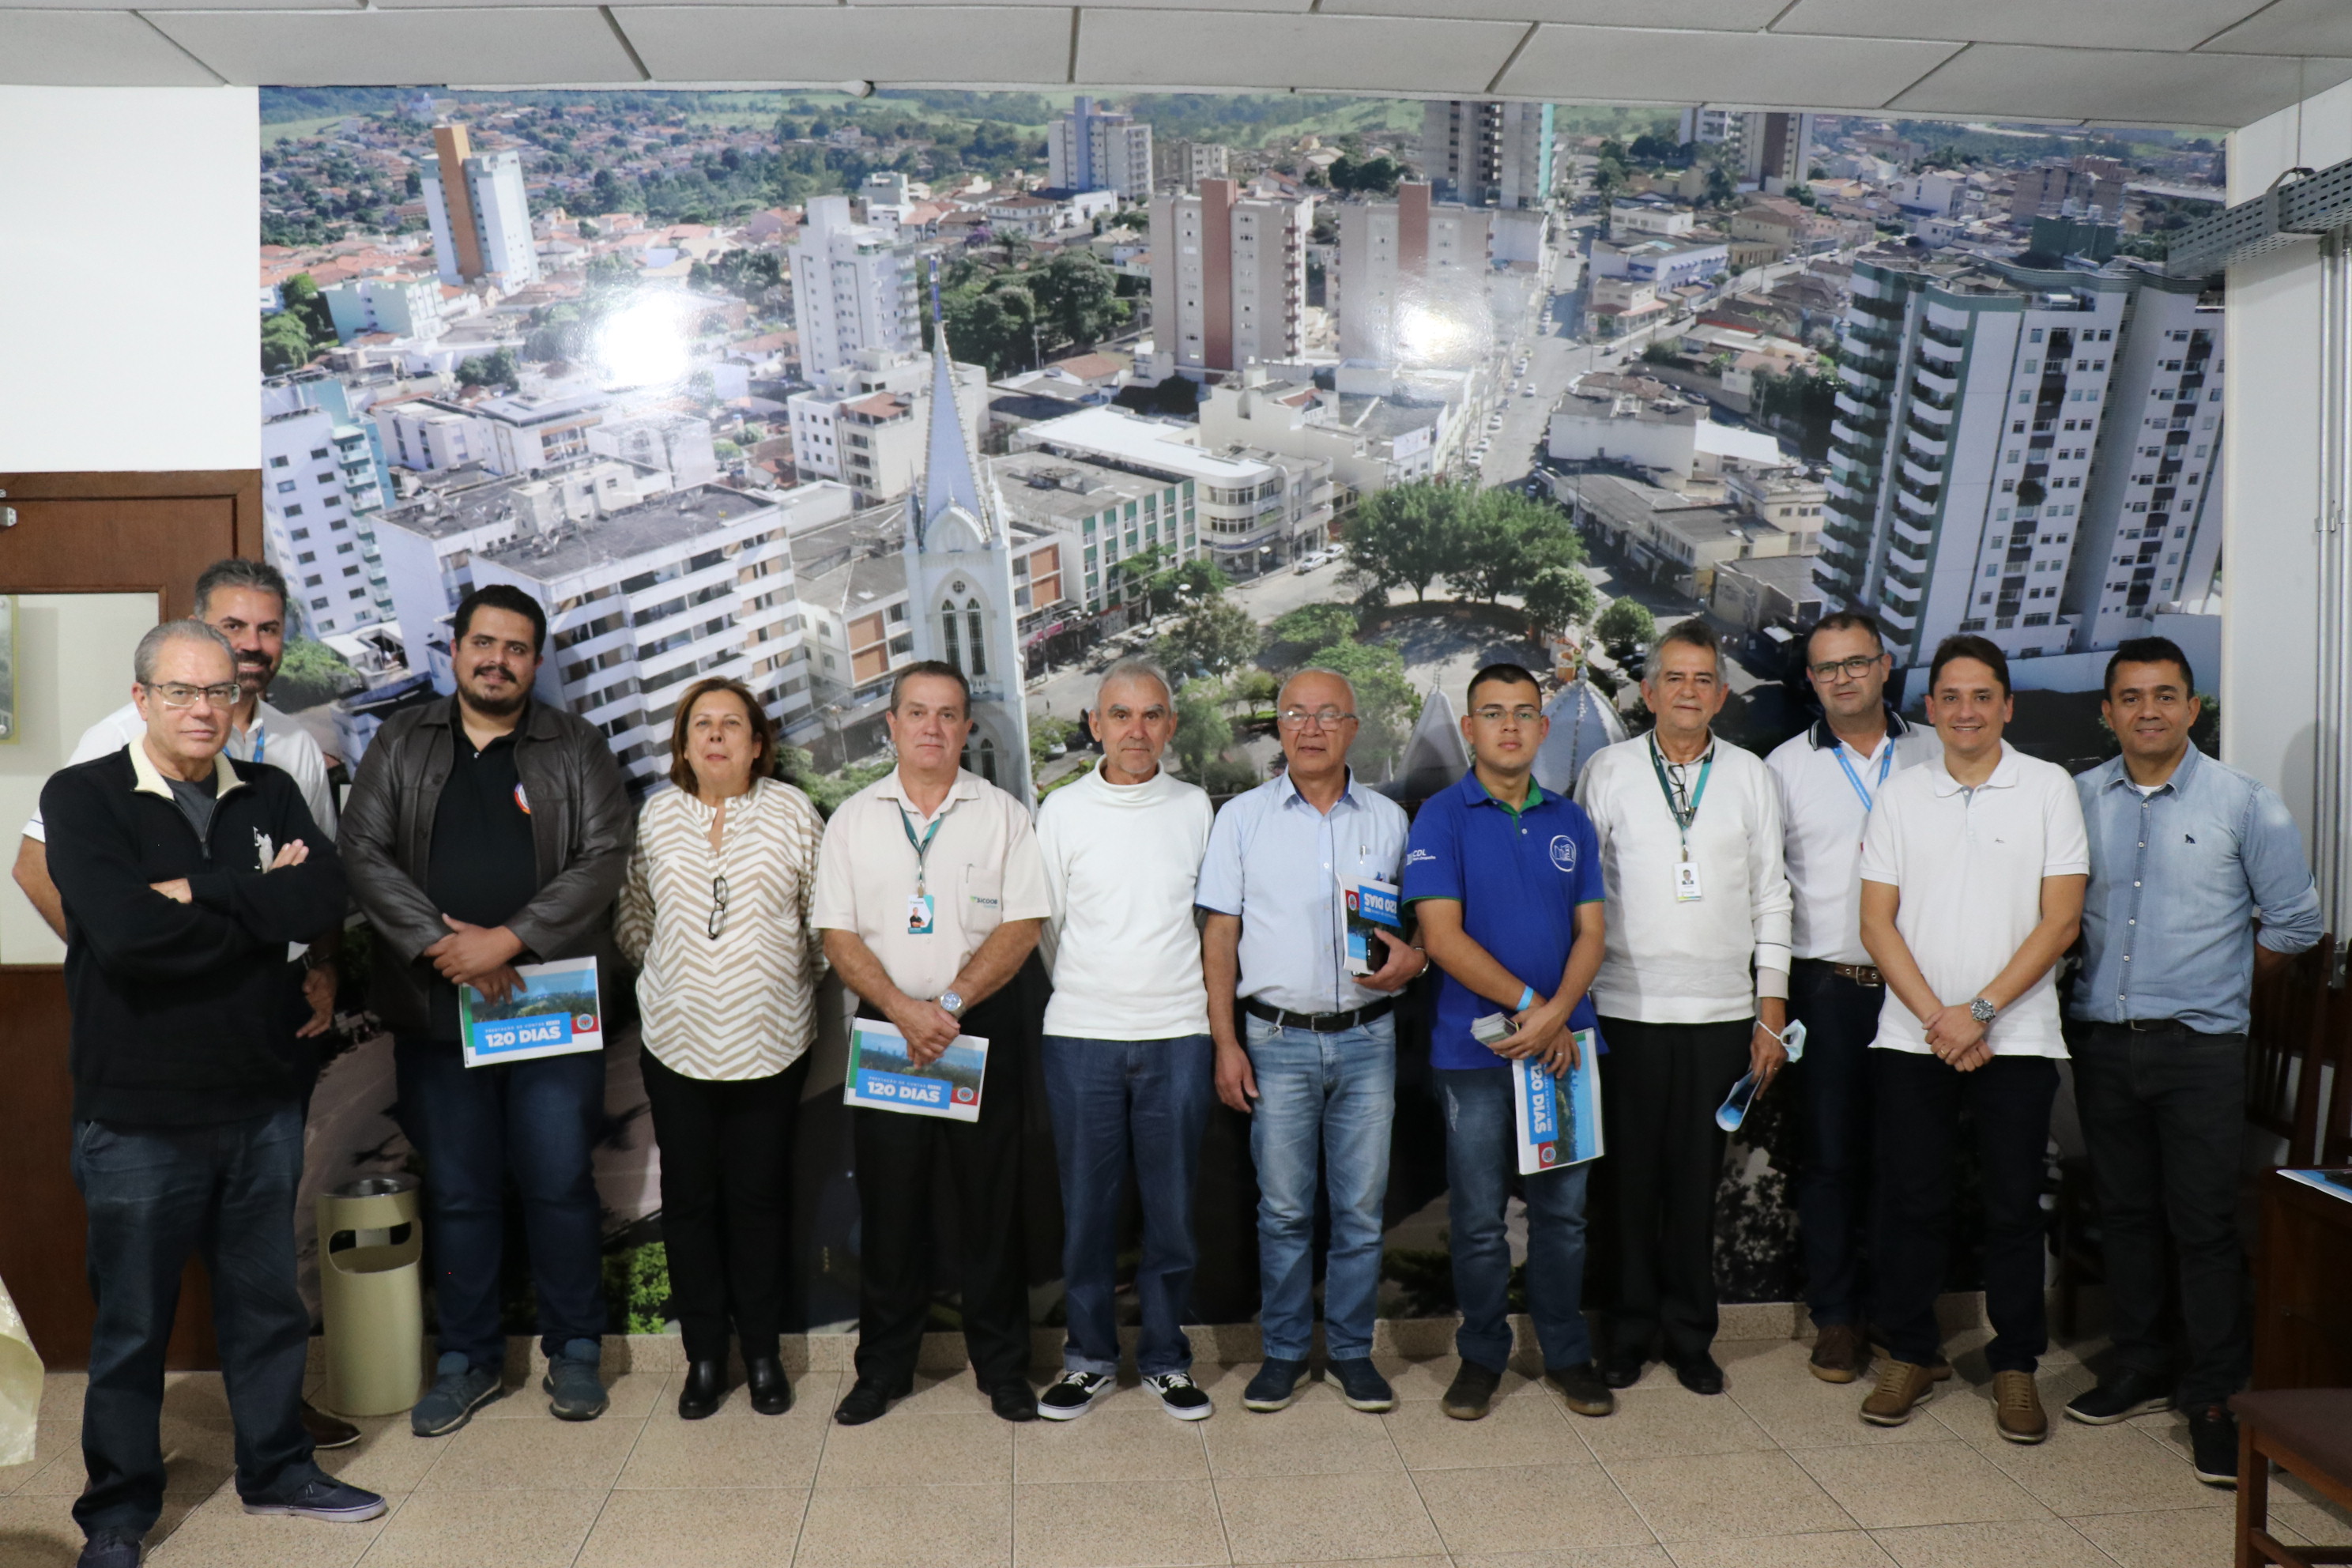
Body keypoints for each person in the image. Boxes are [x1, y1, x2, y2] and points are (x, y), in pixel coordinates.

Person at [41, 620, 383, 1568]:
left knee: (266, 1306)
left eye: (220, 692)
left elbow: (325, 900)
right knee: (132, 1324)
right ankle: (115, 1512)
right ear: (142, 698)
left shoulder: (270, 788)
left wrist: (197, 892)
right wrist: (252, 895)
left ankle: (278, 1467)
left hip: (260, 1097)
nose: (204, 708)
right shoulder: (85, 796)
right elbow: (124, 938)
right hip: (138, 1112)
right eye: (182, 691)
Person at [341, 584, 634, 1436]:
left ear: (535, 661)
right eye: (483, 643)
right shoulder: (401, 740)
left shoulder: (575, 745)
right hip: (437, 1010)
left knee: (558, 1185)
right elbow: (362, 852)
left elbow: (604, 858)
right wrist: (445, 944)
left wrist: (506, 941)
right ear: (456, 649)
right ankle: (466, 1361)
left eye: (515, 647)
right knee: (462, 1192)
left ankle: (575, 1351)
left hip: (548, 1008)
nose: (497, 659)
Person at [2064, 637, 2320, 1483]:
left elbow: (2294, 924)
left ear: (2193, 706)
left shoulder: (2245, 803)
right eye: (2130, 697)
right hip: (2104, 1044)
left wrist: (2217, 984)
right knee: (2128, 1212)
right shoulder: (2075, 801)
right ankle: (2139, 1363)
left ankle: (2213, 1395)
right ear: (2108, 711)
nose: (2148, 711)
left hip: (2202, 1050)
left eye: (2165, 695)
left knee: (2204, 1225)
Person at [1855, 635, 2087, 1444]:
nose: (1965, 711)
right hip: (1913, 1036)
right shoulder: (1901, 794)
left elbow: (2061, 919)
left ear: (2007, 704)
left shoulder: (2049, 788)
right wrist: (1940, 1019)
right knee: (1911, 1200)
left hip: (2016, 1038)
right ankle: (1911, 1351)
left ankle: (2016, 1362)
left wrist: (1979, 1011)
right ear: (1930, 708)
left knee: (2014, 1207)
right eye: (1950, 697)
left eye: (1981, 696)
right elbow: (1875, 922)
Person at [811, 662, 1051, 1426]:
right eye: (917, 713)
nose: (932, 728)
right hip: (888, 1035)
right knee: (890, 1212)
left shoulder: (1003, 815)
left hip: (977, 1029)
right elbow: (836, 934)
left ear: (967, 729)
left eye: (948, 715)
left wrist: (944, 1006)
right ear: (891, 723)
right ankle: (881, 1371)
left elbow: (1021, 927)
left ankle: (1004, 1370)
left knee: (992, 1210)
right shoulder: (852, 820)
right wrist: (902, 1009)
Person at [1577, 619, 1792, 1396]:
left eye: (1705, 679)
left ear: (1722, 694)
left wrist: (1771, 1013)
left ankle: (1692, 1333)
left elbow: (1773, 894)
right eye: (1676, 678)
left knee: (1698, 1180)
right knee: (1629, 1181)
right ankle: (1629, 1331)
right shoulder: (1606, 771)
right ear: (1648, 690)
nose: (1690, 692)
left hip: (1723, 1015)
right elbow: (1581, 897)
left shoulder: (1751, 777)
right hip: (1625, 1007)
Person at [1199, 668, 1420, 1416]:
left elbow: (1420, 932)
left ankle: (1354, 1354)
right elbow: (1220, 936)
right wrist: (1225, 1042)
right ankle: (1287, 1353)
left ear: (1355, 728)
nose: (1312, 727)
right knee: (1285, 1210)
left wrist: (1413, 959)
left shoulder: (1389, 821)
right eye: (1296, 713)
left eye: (1329, 714)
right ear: (1280, 729)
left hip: (1368, 1041)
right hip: (1276, 1041)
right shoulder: (1241, 820)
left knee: (1360, 1210)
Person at [615, 677, 827, 1421]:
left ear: (757, 743)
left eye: (730, 724)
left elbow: (819, 925)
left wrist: (766, 983)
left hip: (772, 1044)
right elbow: (634, 919)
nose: (714, 736)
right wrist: (684, 982)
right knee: (689, 1203)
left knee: (759, 1201)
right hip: (676, 1045)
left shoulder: (794, 812)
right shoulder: (657, 817)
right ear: (682, 745)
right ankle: (705, 1356)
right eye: (699, 725)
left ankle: (763, 1353)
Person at [1406, 663, 1614, 1422]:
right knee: (1479, 1218)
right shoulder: (1440, 817)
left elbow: (1592, 933)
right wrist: (1534, 1008)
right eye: (1492, 713)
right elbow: (1441, 936)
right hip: (1475, 1055)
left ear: (1543, 726)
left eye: (1524, 712)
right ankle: (1482, 1355)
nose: (1509, 726)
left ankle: (1566, 1353)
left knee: (1562, 1216)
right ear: (1469, 729)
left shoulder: (1569, 820)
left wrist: (1557, 1016)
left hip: (1564, 1049)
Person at [1032, 659, 1217, 1421]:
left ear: (1169, 726)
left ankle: (1168, 1359)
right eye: (1120, 714)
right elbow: (1046, 928)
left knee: (1172, 1213)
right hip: (1082, 1038)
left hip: (1179, 1034)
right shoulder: (1061, 810)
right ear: (1095, 724)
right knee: (1088, 1214)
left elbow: (1212, 926)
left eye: (1151, 715)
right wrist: (1095, 991)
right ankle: (1089, 1360)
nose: (1135, 730)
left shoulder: (1199, 807)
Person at [1764, 612, 1940, 1385]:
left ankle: (1908, 1324)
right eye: (1826, 668)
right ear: (1811, 680)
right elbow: (1767, 891)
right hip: (1827, 990)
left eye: (1856, 663)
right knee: (1831, 1160)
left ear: (1886, 665)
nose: (1842, 678)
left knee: (1914, 1164)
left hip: (1924, 994)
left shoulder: (1938, 754)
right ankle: (1836, 1319)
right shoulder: (1780, 768)